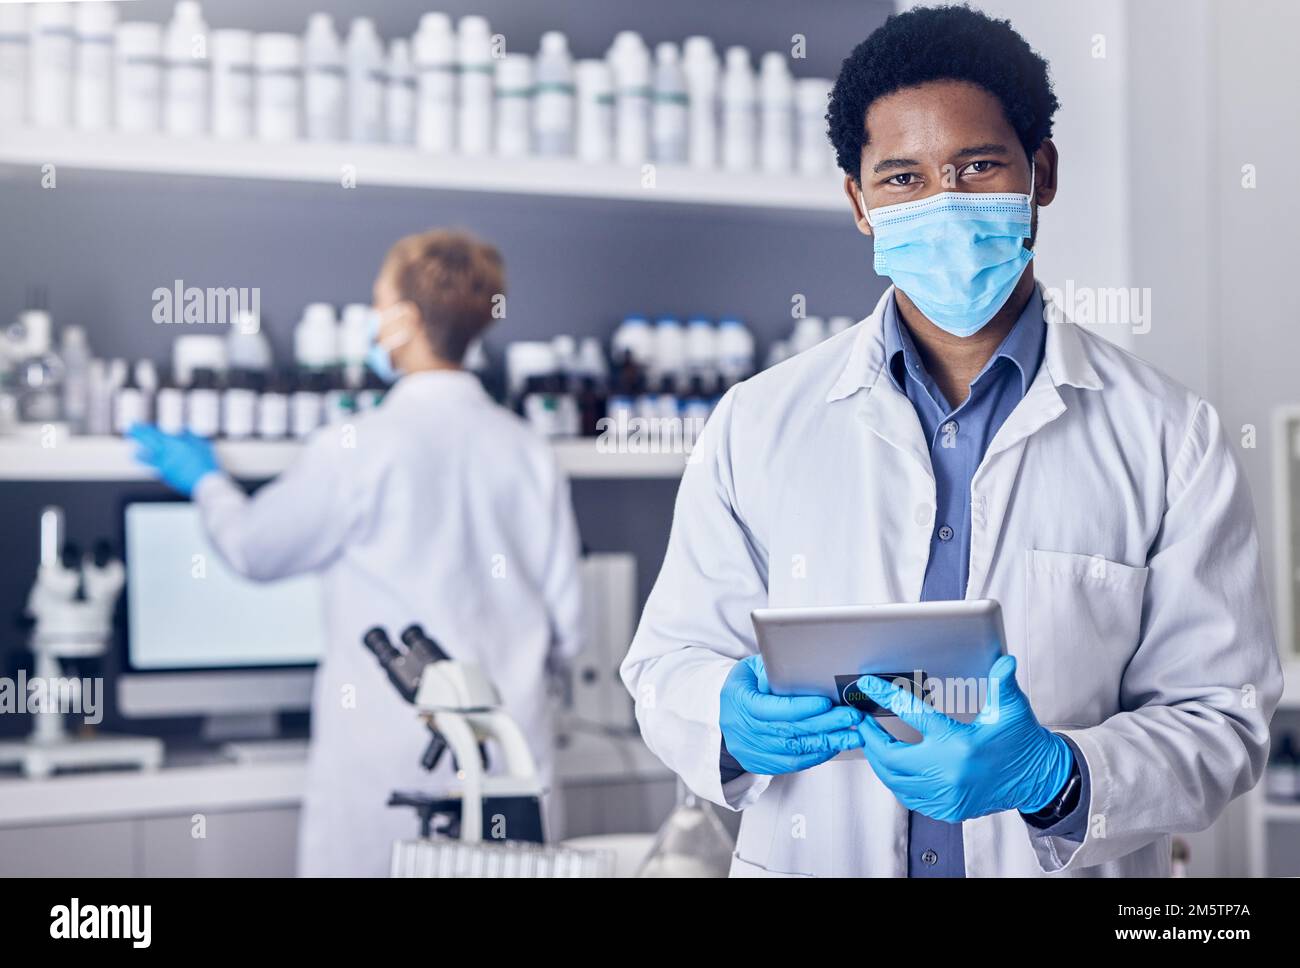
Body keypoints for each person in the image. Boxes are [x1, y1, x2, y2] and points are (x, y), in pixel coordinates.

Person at [620, 6, 1282, 877]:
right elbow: (669, 661)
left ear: (1040, 173)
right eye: (902, 179)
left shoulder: (1170, 436)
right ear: (860, 204)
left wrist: (1057, 775)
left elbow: (1222, 718)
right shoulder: (757, 420)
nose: (944, 202)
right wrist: (728, 720)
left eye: (977, 165)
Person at [130, 229, 584, 877]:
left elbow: (255, 550)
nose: (374, 322)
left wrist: (206, 481)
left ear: (401, 318)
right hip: (512, 762)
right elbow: (570, 631)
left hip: (391, 769)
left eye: (379, 305)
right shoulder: (529, 451)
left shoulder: (359, 446)